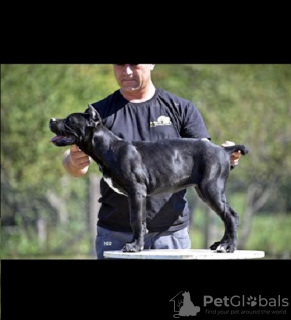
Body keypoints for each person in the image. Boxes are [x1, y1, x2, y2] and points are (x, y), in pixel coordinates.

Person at [62, 64, 241, 259]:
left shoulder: (180, 108)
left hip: (170, 236)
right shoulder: (98, 114)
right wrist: (72, 161)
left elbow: (204, 154)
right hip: (115, 234)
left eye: (134, 64)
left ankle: (229, 236)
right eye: (120, 65)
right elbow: (73, 164)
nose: (127, 71)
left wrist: (226, 158)